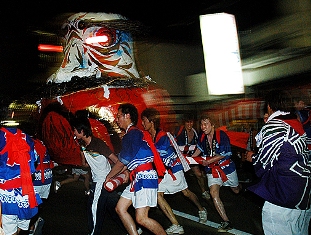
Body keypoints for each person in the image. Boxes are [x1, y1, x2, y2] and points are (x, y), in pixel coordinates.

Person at [245, 91, 311, 235]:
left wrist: (252, 157)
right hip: (304, 194)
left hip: (284, 194)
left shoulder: (275, 125)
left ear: (269, 107)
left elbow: (262, 164)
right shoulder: (296, 123)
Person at [141, 108, 207, 234]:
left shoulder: (163, 136)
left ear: (151, 121)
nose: (143, 124)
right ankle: (176, 224)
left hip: (173, 169)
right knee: (158, 195)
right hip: (163, 171)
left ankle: (201, 208)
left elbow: (157, 153)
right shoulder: (151, 136)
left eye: (144, 121)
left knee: (186, 193)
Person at [105, 103, 167, 235]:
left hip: (144, 177)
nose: (117, 119)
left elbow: (122, 162)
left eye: (118, 116)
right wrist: (123, 172)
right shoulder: (134, 133)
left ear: (127, 116)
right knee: (120, 208)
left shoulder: (132, 134)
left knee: (142, 218)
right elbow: (127, 163)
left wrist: (109, 177)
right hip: (138, 178)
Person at [70, 115, 129, 235]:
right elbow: (85, 166)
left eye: (75, 130)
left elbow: (115, 160)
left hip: (102, 181)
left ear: (81, 131)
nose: (73, 132)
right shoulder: (83, 145)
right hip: (101, 180)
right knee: (114, 210)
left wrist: (124, 171)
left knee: (93, 207)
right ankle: (130, 230)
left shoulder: (98, 144)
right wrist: (82, 157)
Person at [191, 115, 241, 233]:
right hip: (212, 170)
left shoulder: (221, 135)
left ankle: (240, 187)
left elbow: (224, 153)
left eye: (206, 124)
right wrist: (189, 160)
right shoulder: (202, 137)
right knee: (213, 193)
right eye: (202, 124)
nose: (203, 127)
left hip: (226, 168)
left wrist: (209, 160)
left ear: (212, 125)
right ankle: (226, 221)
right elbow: (198, 150)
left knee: (236, 190)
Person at [0, 108, 43, 235]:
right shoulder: (27, 138)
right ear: (12, 115)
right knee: (19, 227)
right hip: (24, 192)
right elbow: (32, 164)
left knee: (7, 230)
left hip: (5, 194)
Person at [174, 113, 210, 201]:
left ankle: (204, 191)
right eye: (187, 122)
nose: (189, 124)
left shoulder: (196, 132)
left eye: (191, 122)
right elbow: (172, 143)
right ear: (184, 123)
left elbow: (200, 145)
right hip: (180, 157)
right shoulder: (178, 130)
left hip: (192, 156)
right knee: (177, 177)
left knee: (198, 174)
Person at [28, 138, 54, 235]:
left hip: (36, 178)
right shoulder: (41, 142)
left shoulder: (27, 143)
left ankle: (32, 226)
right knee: (40, 202)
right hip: (47, 176)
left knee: (32, 203)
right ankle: (36, 220)